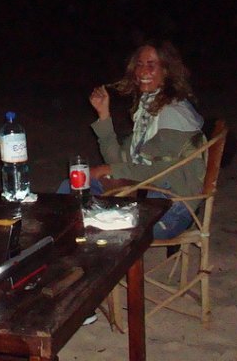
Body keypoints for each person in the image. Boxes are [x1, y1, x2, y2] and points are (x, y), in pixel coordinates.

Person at [62, 41, 206, 239]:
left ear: (167, 71)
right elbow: (118, 160)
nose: (143, 71)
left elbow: (162, 173)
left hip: (172, 208)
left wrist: (109, 170)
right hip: (143, 193)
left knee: (95, 223)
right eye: (139, 64)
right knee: (71, 188)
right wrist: (104, 115)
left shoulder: (174, 113)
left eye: (151, 65)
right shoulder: (147, 111)